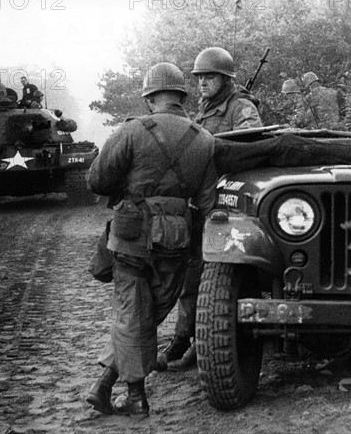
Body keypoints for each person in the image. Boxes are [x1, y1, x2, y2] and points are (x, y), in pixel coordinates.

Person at [85, 62, 217, 417]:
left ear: (149, 98)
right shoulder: (204, 140)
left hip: (130, 237)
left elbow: (97, 181)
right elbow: (207, 203)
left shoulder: (132, 131)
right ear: (181, 96)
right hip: (175, 240)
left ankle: (135, 397)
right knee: (144, 316)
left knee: (133, 316)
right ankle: (109, 387)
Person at [156, 47, 263, 372]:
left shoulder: (241, 107)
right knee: (192, 270)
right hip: (203, 199)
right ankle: (187, 338)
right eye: (199, 77)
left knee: (209, 273)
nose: (202, 83)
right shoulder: (205, 110)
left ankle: (197, 342)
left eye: (210, 77)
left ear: (226, 78)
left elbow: (252, 148)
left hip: (228, 202)